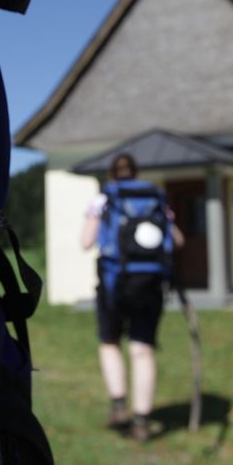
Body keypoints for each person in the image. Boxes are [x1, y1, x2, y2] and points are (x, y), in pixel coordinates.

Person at [81, 153, 184, 442]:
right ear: (136, 173)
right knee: (142, 350)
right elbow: (177, 240)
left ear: (112, 174)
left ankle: (119, 407)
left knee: (110, 343)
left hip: (114, 285)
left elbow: (86, 242)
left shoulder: (103, 199)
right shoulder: (155, 198)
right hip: (150, 285)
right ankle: (142, 421)